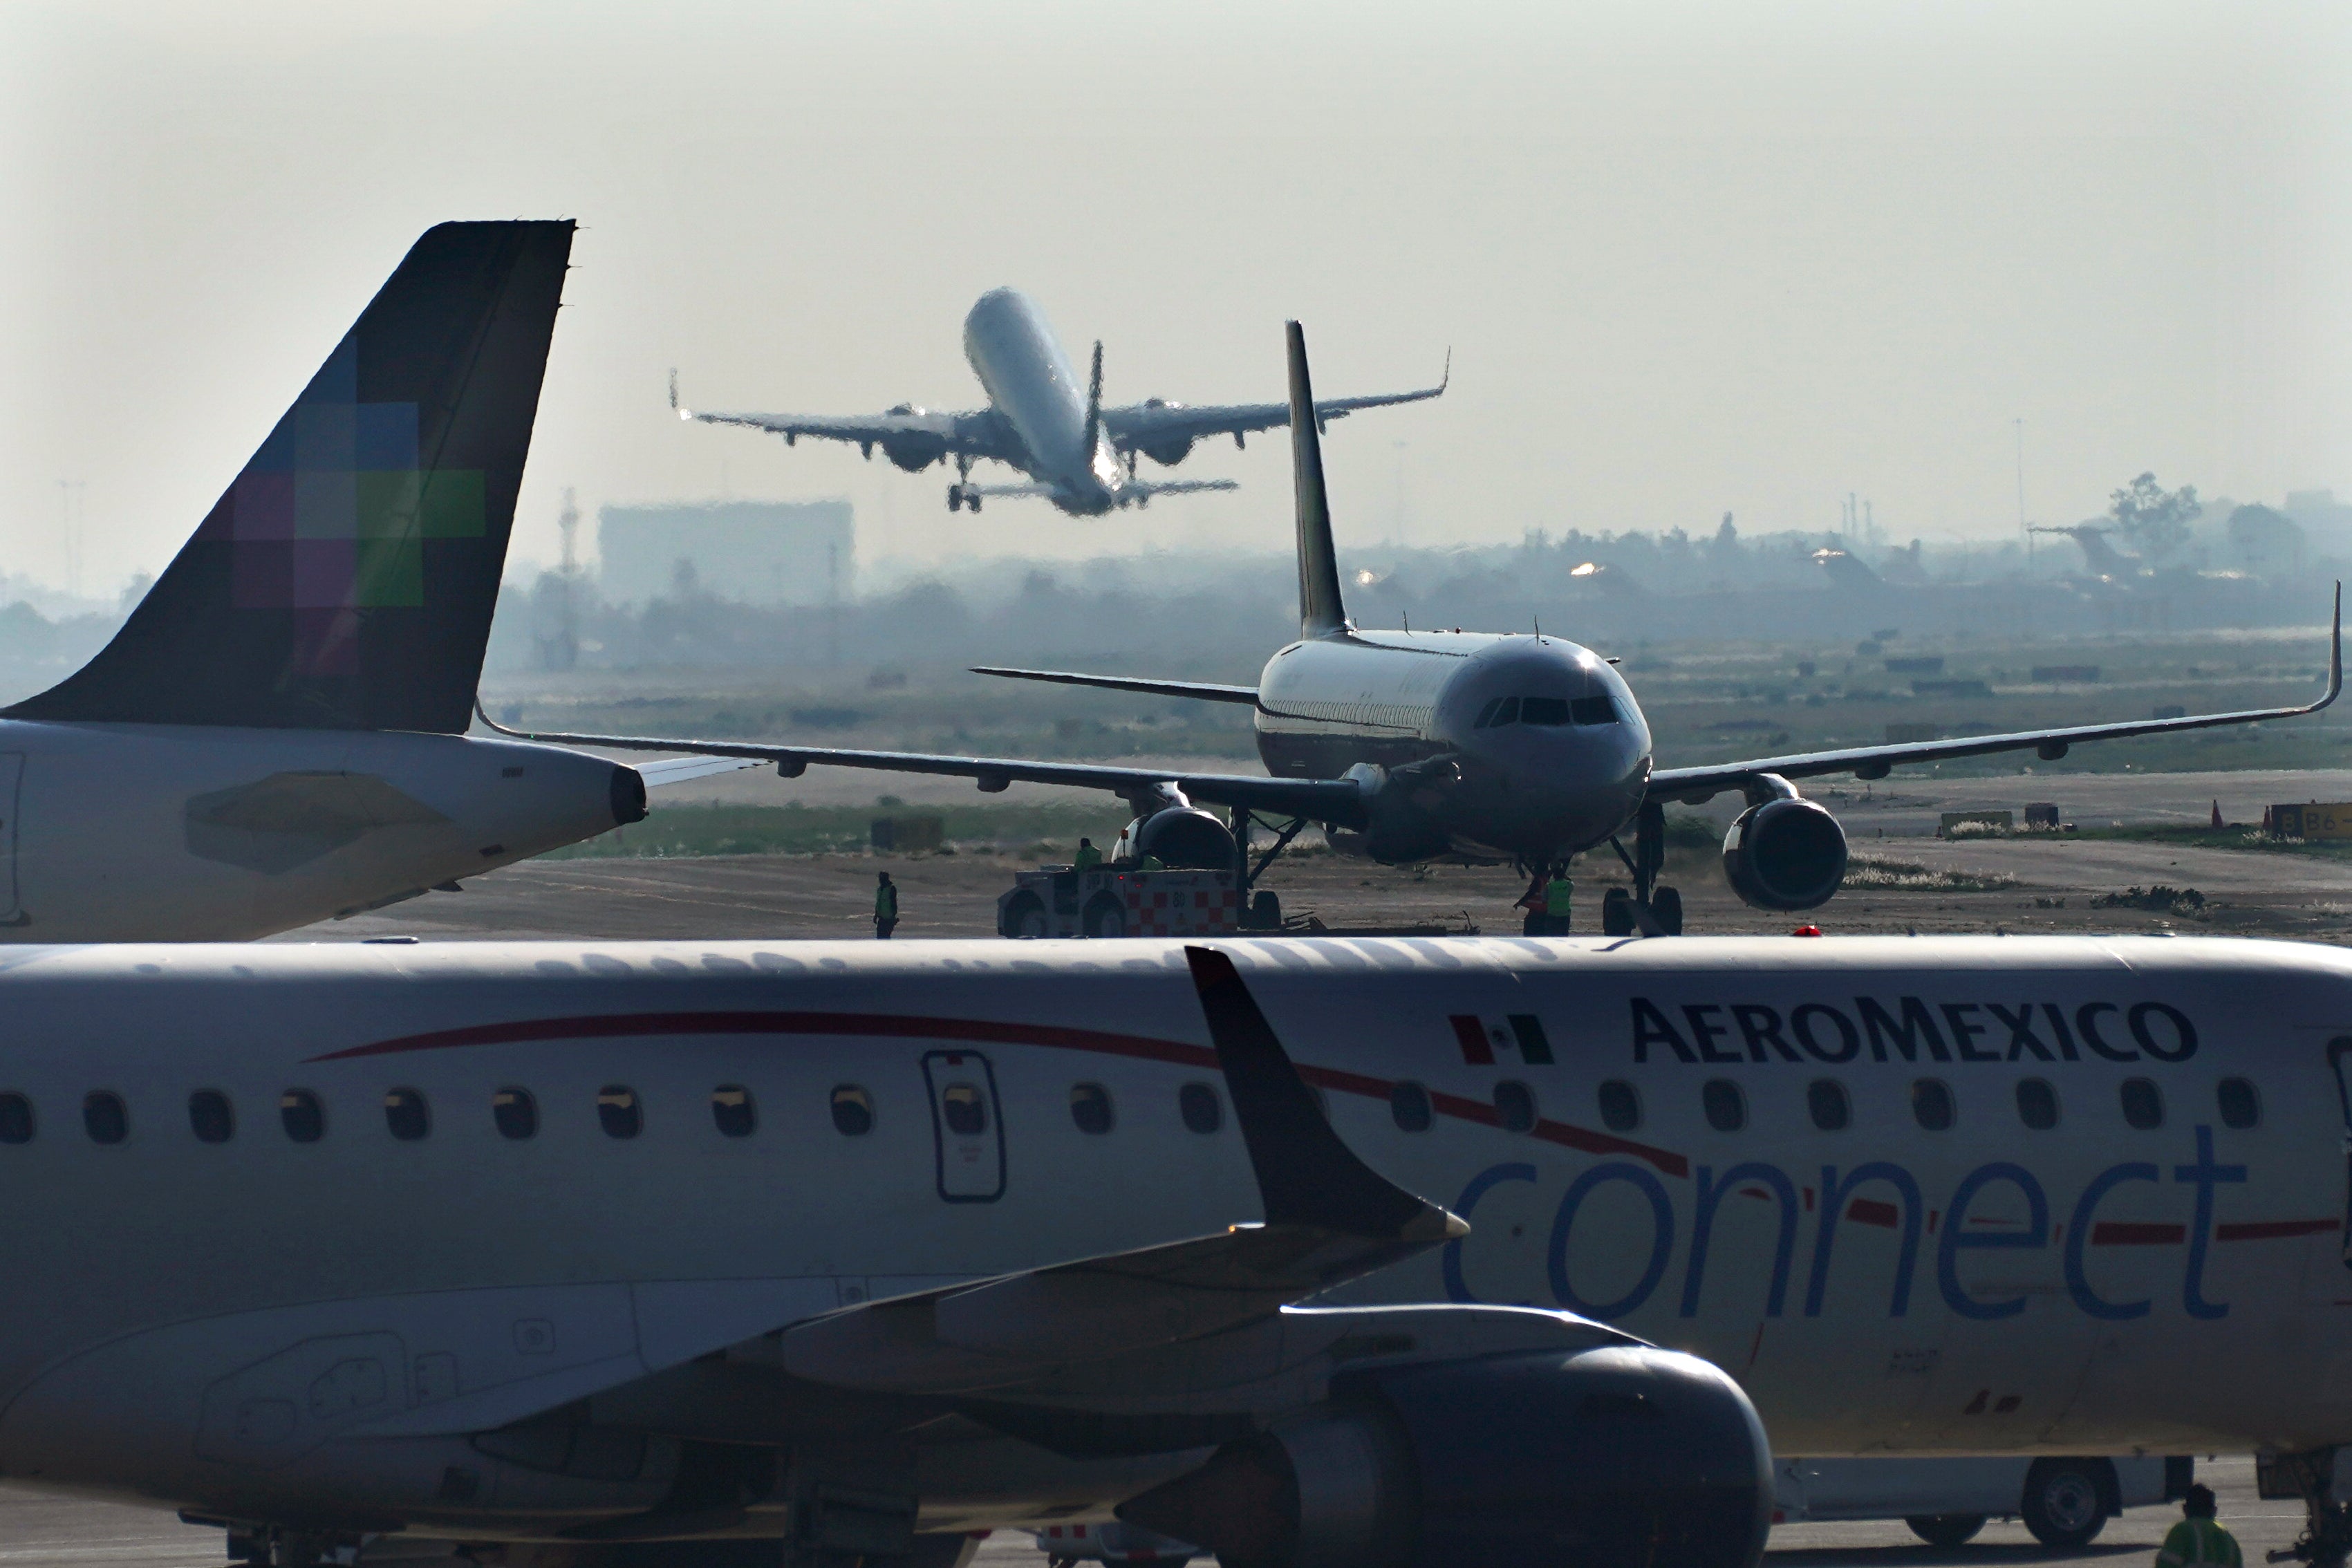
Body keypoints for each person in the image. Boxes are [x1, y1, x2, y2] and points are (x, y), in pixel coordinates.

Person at [2158, 1484, 2239, 1568]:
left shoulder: (2181, 1531)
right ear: (2214, 1510)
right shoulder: (2227, 1537)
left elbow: (2166, 1564)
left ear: (2185, 1509)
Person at [872, 872, 899, 940]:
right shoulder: (880, 890)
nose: (880, 881)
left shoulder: (891, 889)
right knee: (880, 937)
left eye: (882, 879)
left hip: (889, 918)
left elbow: (894, 903)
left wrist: (893, 917)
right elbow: (878, 903)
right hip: (881, 918)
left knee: (885, 937)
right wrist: (876, 915)